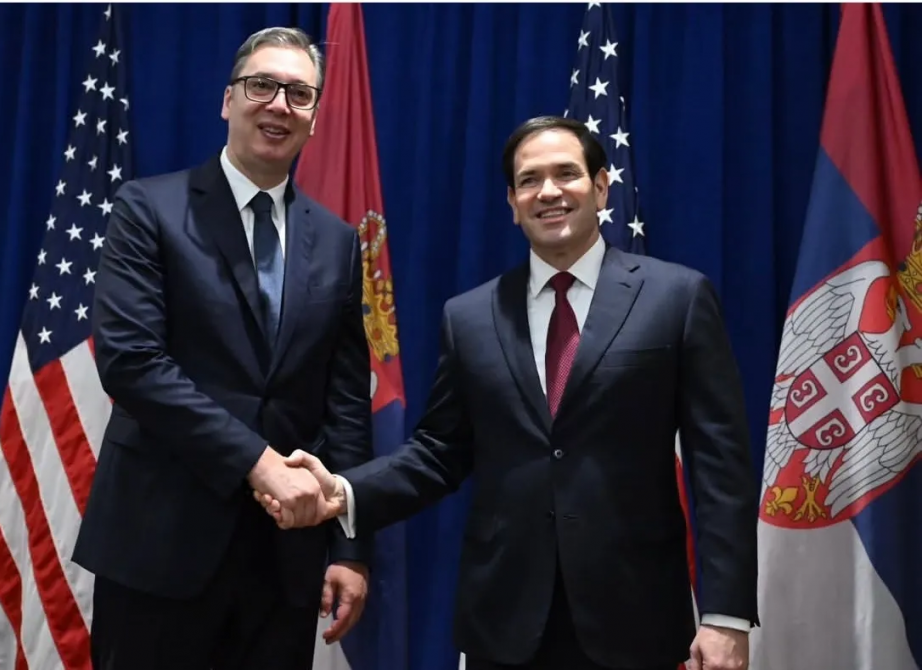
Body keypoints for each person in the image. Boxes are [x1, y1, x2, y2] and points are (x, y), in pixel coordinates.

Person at [256, 116, 759, 670]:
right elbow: (439, 452)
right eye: (529, 180)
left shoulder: (677, 298)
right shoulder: (470, 316)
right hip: (504, 622)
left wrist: (726, 615)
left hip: (636, 615)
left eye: (566, 174)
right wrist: (346, 491)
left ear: (600, 187)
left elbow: (720, 467)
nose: (548, 191)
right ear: (513, 204)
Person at [72, 26, 374, 669]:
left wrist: (350, 547)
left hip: (284, 562)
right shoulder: (148, 208)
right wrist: (257, 462)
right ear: (227, 100)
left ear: (315, 118)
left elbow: (346, 402)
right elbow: (131, 362)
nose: (279, 105)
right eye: (261, 86)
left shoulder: (340, 242)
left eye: (299, 94)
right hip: (159, 547)